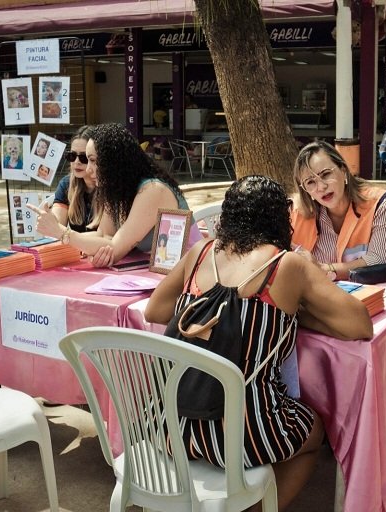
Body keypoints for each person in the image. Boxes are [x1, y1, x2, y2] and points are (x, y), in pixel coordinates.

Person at [145, 175, 373, 510]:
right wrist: (293, 314)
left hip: (169, 425)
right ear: (281, 217)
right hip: (243, 435)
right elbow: (359, 324)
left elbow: (155, 310)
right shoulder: (286, 264)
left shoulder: (200, 253)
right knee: (315, 430)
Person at [27, 122, 192, 267]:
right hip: (156, 274)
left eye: (92, 160)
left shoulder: (153, 190)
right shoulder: (117, 190)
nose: (88, 169)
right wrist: (85, 245)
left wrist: (61, 232)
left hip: (188, 275)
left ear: (113, 161)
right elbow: (105, 236)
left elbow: (114, 250)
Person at [290, 140, 386, 281]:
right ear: (305, 189)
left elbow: (381, 260)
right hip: (316, 293)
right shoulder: (293, 212)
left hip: (374, 291)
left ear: (343, 171)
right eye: (310, 182)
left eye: (325, 174)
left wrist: (325, 269)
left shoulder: (381, 203)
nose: (321, 187)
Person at [50, 125, 97, 233]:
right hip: (74, 243)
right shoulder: (66, 184)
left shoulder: (109, 186)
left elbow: (106, 236)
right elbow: (57, 227)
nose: (76, 162)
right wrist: (49, 219)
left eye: (84, 157)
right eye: (72, 155)